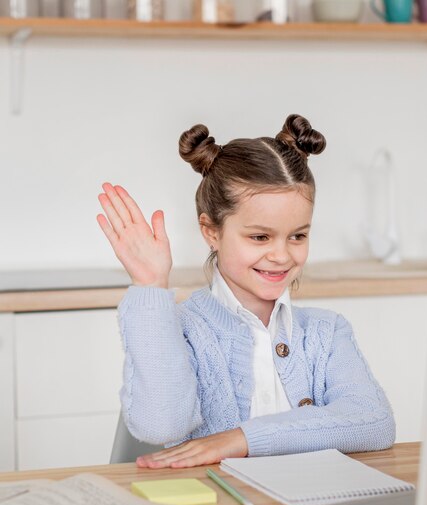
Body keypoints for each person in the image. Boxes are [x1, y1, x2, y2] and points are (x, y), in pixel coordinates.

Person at [96, 114, 395, 469]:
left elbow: (374, 421)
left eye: (298, 235)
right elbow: (160, 424)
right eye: (260, 237)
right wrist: (150, 285)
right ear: (211, 231)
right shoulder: (181, 328)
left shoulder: (326, 332)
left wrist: (240, 439)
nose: (282, 255)